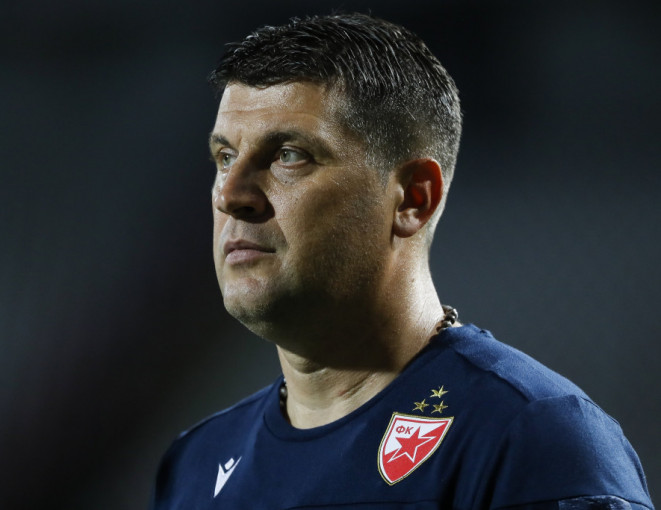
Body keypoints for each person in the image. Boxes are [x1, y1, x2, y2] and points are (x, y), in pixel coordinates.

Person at [152, 13, 653, 510]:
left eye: (288, 155)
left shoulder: (531, 439)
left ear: (414, 198)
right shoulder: (196, 462)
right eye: (225, 158)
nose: (230, 195)